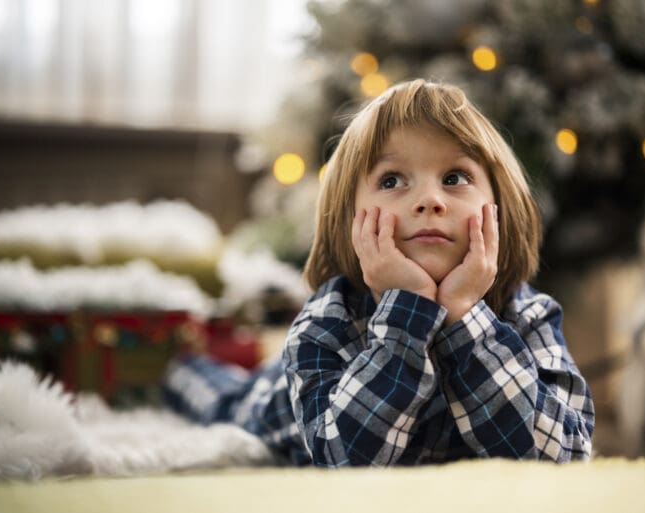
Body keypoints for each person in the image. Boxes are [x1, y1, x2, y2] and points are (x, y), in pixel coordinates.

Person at [164, 79, 594, 467]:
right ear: (350, 220)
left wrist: (465, 319)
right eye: (391, 181)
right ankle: (175, 366)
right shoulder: (328, 318)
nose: (429, 200)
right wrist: (408, 310)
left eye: (455, 177)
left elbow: (567, 454)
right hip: (276, 404)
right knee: (225, 399)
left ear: (500, 210)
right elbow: (344, 461)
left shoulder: (529, 314)